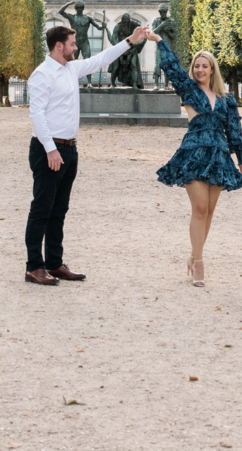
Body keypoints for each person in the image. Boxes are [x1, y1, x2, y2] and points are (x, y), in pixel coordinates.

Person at [24, 20, 150, 285]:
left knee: (59, 210)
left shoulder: (71, 68)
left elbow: (102, 58)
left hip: (69, 148)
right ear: (59, 46)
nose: (76, 46)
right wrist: (50, 150)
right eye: (72, 43)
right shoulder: (42, 74)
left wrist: (130, 40)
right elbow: (36, 114)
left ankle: (55, 263)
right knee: (42, 209)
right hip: (50, 149)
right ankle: (34, 266)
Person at [147, 33, 242, 287]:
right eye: (196, 66)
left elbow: (233, 131)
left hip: (219, 155)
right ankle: (200, 265)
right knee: (200, 209)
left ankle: (193, 257)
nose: (200, 69)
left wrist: (241, 158)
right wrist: (160, 41)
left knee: (210, 211)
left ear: (212, 70)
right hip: (194, 152)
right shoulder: (188, 88)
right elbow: (171, 67)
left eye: (204, 66)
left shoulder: (227, 100)